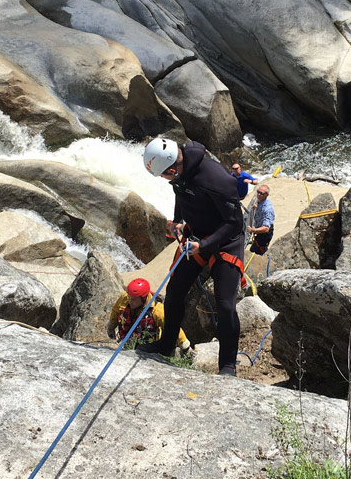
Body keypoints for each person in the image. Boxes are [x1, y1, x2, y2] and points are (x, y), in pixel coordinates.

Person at [141, 137, 245, 376]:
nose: (164, 180)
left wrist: (205, 245)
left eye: (163, 176)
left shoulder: (217, 180)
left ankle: (227, 366)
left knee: (226, 304)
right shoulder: (180, 171)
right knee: (175, 291)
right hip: (197, 236)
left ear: (171, 168)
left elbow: (234, 222)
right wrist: (178, 220)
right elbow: (181, 191)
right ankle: (166, 346)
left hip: (226, 242)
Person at [107, 278, 190, 351]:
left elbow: (173, 327)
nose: (130, 301)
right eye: (129, 297)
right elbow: (116, 311)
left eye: (133, 299)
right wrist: (111, 326)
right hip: (125, 339)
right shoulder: (125, 298)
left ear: (143, 298)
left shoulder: (157, 310)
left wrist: (185, 346)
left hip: (146, 346)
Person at [247, 184, 275, 255]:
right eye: (258, 192)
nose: (259, 194)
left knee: (257, 250)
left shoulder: (268, 209)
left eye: (261, 193)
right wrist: (256, 207)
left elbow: (266, 228)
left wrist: (253, 230)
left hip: (264, 233)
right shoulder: (260, 201)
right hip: (259, 229)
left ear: (267, 195)